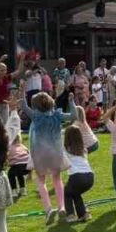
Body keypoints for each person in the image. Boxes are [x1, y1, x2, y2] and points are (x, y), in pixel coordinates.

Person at [20, 89, 73, 224]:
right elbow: (74, 115)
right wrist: (71, 102)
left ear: (36, 106)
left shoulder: (36, 117)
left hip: (39, 154)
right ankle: (61, 207)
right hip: (55, 153)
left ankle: (48, 209)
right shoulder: (57, 116)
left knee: (41, 181)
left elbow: (23, 106)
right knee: (57, 180)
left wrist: (22, 92)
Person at [62, 126, 95, 223]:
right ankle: (84, 214)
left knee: (66, 192)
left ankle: (71, 215)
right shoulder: (83, 149)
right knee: (75, 193)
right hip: (90, 176)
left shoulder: (65, 148)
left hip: (77, 176)